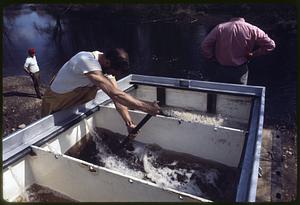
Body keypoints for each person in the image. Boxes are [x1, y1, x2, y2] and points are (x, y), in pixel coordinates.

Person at [41, 48, 160, 137]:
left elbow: (117, 98)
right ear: (107, 62)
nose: (114, 75)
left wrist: (129, 123)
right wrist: (146, 107)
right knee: (47, 129)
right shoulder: (85, 60)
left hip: (76, 98)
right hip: (57, 98)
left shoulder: (106, 67)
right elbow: (115, 94)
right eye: (114, 72)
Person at [201, 17, 276, 84]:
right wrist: (254, 54)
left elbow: (205, 45)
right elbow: (271, 45)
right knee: (239, 95)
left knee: (219, 94)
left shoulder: (220, 28)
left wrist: (211, 57)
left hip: (222, 69)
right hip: (240, 70)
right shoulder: (253, 29)